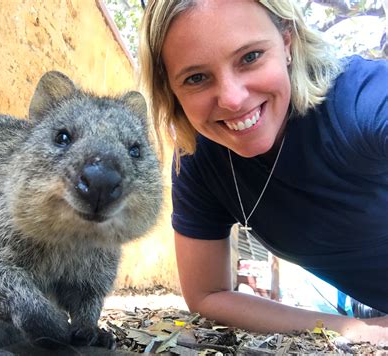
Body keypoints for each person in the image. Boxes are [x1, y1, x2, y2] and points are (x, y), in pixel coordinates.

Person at [138, 0, 388, 344]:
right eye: (196, 78)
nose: (232, 99)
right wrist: (350, 330)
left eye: (250, 57)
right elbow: (207, 295)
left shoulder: (362, 101)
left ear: (287, 41)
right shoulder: (200, 161)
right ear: (171, 90)